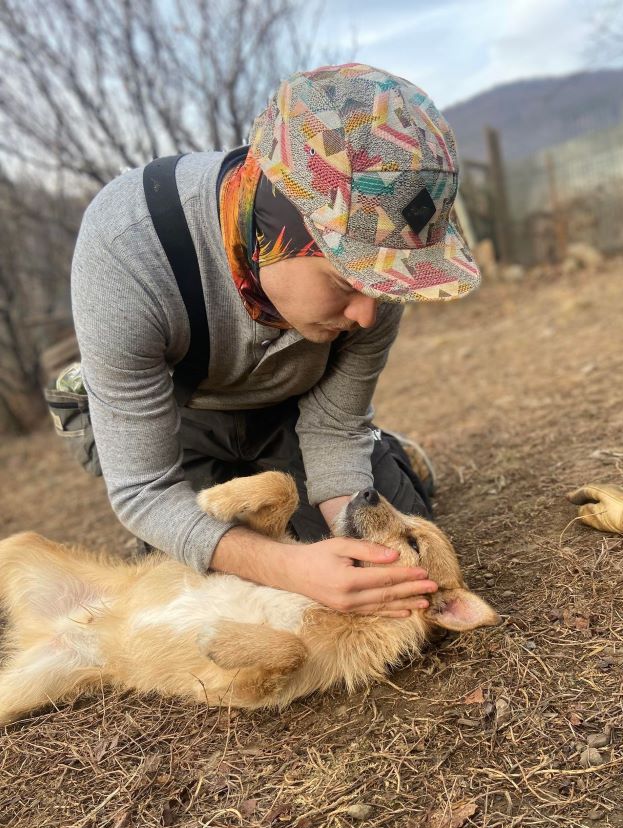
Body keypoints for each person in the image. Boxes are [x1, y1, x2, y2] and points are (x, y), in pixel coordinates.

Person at [71, 62, 480, 619]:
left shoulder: (372, 298)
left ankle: (383, 454)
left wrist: (355, 548)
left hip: (292, 408)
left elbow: (333, 428)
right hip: (181, 420)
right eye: (346, 282)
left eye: (383, 287)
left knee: (402, 574)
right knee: (220, 590)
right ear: (273, 234)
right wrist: (291, 569)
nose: (368, 314)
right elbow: (144, 489)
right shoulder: (127, 252)